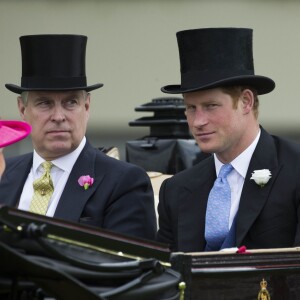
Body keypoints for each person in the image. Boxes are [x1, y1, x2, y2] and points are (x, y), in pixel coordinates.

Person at [0, 34, 157, 240]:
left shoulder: (124, 182)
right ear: (22, 109)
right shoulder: (4, 173)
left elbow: (125, 269)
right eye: (44, 103)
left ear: (87, 106)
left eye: (70, 102)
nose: (58, 116)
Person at [156, 27, 300, 252]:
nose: (198, 121)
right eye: (191, 108)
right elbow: (164, 276)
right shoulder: (176, 190)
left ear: (246, 102)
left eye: (211, 106)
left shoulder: (295, 168)